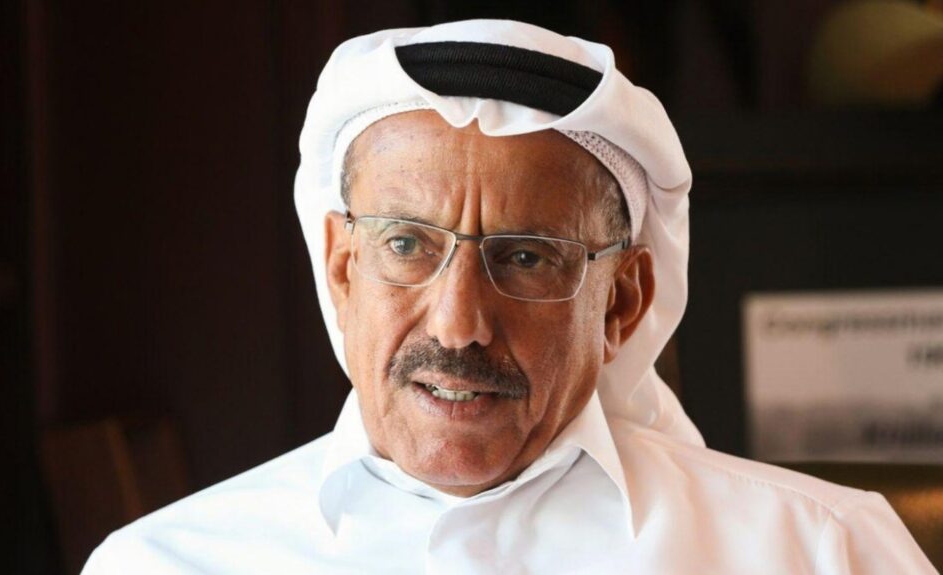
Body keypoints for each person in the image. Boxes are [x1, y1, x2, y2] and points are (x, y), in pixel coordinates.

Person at [83, 19, 935, 574]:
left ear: (623, 301)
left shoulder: (822, 551)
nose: (458, 324)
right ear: (342, 268)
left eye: (525, 257)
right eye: (407, 244)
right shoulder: (164, 563)